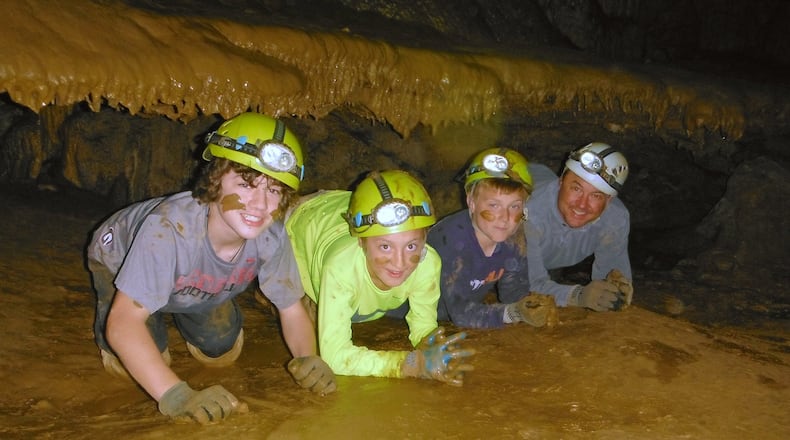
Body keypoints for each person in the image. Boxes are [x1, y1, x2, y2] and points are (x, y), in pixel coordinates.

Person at [87, 112, 335, 426]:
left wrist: (308, 358)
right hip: (119, 256)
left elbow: (291, 309)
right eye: (245, 184)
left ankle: (181, 304)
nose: (260, 204)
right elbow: (123, 324)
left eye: (273, 190)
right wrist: (177, 396)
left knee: (220, 351)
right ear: (215, 180)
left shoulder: (271, 235)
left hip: (190, 278)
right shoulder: (168, 229)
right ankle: (154, 307)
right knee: (133, 364)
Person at [285, 170, 475, 386]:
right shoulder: (340, 267)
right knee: (293, 304)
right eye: (385, 247)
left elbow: (423, 324)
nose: (399, 263)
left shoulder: (428, 263)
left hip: (350, 207)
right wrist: (410, 364)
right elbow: (335, 357)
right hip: (301, 218)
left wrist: (432, 345)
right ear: (361, 242)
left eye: (411, 246)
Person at [424, 147, 558, 329]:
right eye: (494, 205)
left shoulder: (514, 237)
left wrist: (533, 305)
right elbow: (460, 313)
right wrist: (513, 313)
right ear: (471, 202)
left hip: (450, 320)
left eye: (514, 206)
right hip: (407, 321)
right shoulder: (451, 240)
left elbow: (513, 290)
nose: (505, 218)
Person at [518, 142, 634, 312]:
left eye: (596, 195)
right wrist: (578, 295)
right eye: (576, 188)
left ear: (609, 200)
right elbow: (522, 284)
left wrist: (617, 289)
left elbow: (613, 274)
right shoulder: (528, 211)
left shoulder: (615, 219)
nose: (582, 204)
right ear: (561, 181)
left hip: (548, 248)